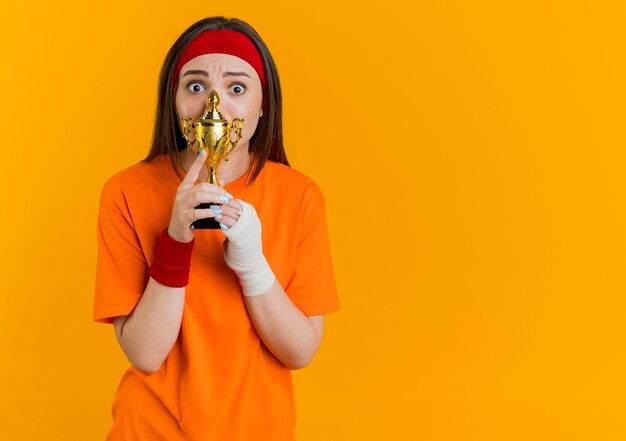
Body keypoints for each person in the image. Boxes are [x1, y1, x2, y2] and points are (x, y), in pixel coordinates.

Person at [94, 16, 339, 440]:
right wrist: (175, 239)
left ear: (263, 105)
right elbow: (145, 354)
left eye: (236, 88)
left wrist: (253, 264)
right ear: (173, 101)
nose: (215, 104)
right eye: (195, 86)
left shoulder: (300, 197)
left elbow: (300, 350)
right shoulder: (125, 192)